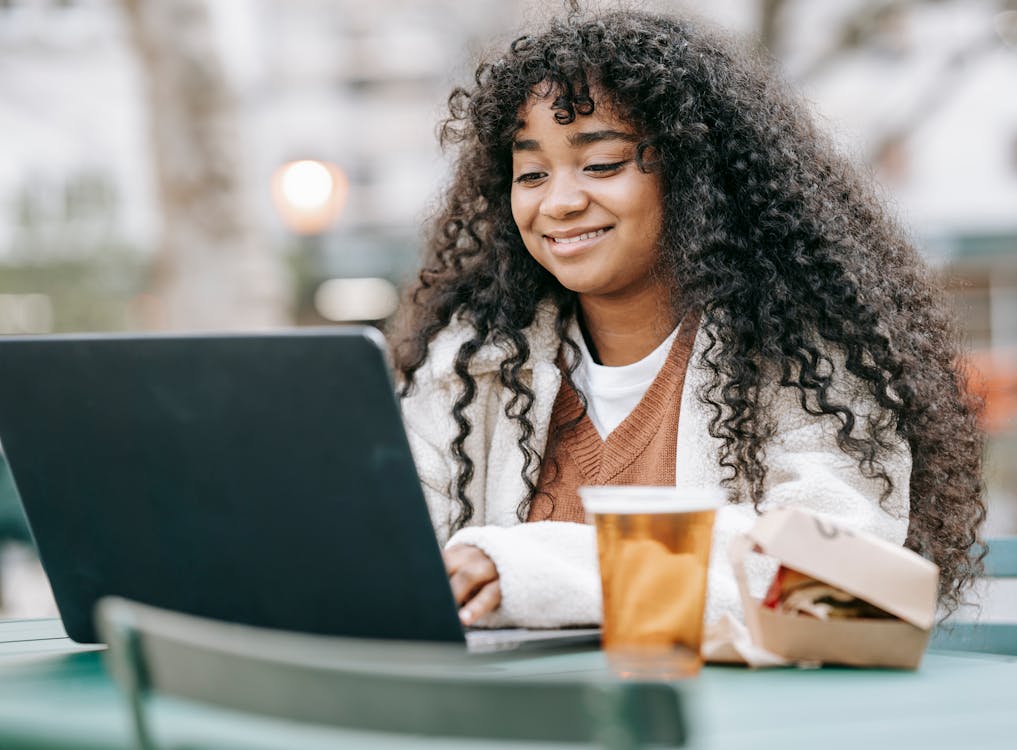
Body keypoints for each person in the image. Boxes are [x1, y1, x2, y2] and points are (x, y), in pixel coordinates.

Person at [391, 8, 985, 629]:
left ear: (692, 176)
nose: (560, 202)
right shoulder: (471, 366)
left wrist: (530, 568)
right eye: (532, 174)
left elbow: (842, 580)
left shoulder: (799, 355)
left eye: (601, 166)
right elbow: (392, 555)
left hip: (737, 721)